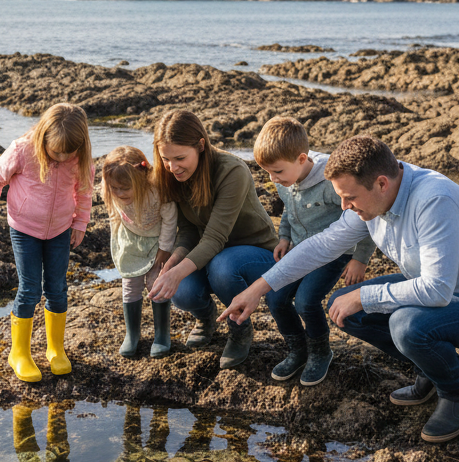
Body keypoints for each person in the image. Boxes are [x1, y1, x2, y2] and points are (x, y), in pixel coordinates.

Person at [220, 135, 459, 443]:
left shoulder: (434, 200)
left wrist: (365, 295)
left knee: (407, 326)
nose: (343, 205)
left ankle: (457, 392)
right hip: (441, 287)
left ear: (381, 183)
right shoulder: (371, 202)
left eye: (349, 197)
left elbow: (437, 289)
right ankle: (432, 371)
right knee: (344, 307)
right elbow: (323, 245)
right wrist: (258, 289)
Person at [146, 110, 279, 369]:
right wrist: (170, 266)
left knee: (222, 267)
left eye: (180, 158)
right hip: (212, 254)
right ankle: (206, 319)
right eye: (165, 159)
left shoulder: (232, 171)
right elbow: (187, 232)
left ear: (201, 146)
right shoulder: (175, 177)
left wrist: (176, 272)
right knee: (181, 291)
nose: (172, 167)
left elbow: (215, 238)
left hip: (256, 254)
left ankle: (239, 329)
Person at [253, 116, 376, 386]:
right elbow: (288, 209)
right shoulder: (284, 178)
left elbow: (366, 218)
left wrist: (359, 259)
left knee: (306, 302)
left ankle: (321, 352)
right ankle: (298, 350)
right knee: (275, 299)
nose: (273, 179)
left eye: (277, 172)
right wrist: (284, 236)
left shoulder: (331, 183)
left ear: (301, 159)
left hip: (334, 254)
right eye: (268, 173)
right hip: (298, 249)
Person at [0, 104, 94, 383]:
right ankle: (19, 353)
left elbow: (84, 191)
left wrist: (80, 223)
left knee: (57, 287)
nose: (63, 156)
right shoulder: (23, 150)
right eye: (57, 152)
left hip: (60, 230)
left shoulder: (80, 158)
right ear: (43, 137)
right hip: (24, 229)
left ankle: (55, 348)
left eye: (70, 152)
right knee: (30, 288)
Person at [100, 145, 178, 359]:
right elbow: (114, 211)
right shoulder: (112, 190)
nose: (118, 193)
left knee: (156, 284)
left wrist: (165, 249)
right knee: (130, 286)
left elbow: (170, 221)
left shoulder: (158, 192)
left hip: (158, 241)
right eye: (114, 188)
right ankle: (132, 335)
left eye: (124, 188)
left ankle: (162, 335)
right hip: (130, 242)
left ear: (141, 179)